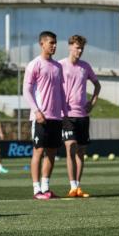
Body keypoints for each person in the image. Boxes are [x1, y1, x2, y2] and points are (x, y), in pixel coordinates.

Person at [24, 31, 65, 200]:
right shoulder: (34, 64)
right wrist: (36, 111)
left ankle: (46, 187)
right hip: (40, 117)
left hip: (56, 118)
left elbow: (60, 92)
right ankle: (36, 190)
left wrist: (64, 112)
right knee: (38, 151)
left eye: (55, 43)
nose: (54, 46)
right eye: (51, 43)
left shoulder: (58, 66)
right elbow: (26, 90)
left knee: (52, 152)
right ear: (42, 44)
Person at [60, 34, 101, 198]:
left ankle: (78, 187)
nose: (80, 51)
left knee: (81, 152)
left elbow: (97, 85)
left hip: (83, 115)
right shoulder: (60, 65)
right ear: (70, 46)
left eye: (82, 48)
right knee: (70, 147)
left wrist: (93, 101)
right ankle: (72, 186)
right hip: (66, 115)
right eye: (77, 47)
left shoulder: (85, 66)